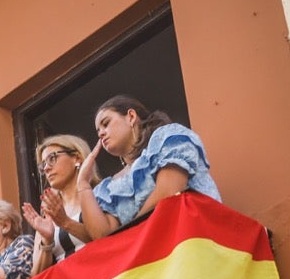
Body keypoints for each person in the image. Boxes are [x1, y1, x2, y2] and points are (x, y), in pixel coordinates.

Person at [75, 94, 219, 240]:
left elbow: (169, 193)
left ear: (131, 116)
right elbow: (104, 238)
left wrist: (132, 238)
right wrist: (83, 184)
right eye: (98, 131)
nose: (101, 133)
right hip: (157, 258)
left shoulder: (167, 137)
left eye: (105, 124)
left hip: (198, 239)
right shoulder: (110, 188)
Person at [24, 133, 97, 273]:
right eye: (43, 164)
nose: (46, 168)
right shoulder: (48, 214)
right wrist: (47, 240)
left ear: (77, 157)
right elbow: (36, 275)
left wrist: (65, 223)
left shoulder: (99, 194)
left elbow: (106, 238)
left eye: (52, 158)